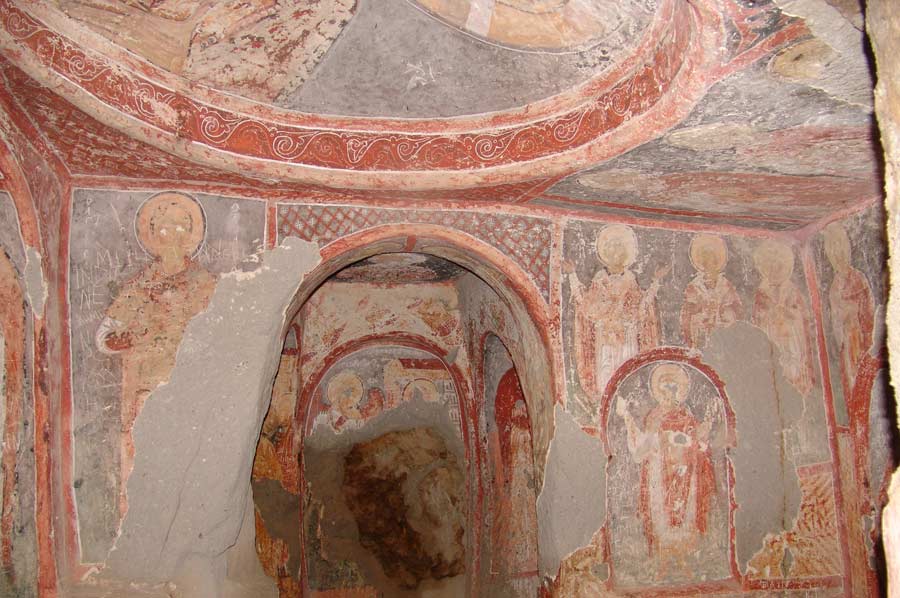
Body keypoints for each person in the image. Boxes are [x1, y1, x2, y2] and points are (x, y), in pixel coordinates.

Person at [95, 192, 216, 514]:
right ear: (152, 235)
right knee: (145, 454)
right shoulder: (140, 285)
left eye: (180, 227)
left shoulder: (206, 284)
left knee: (190, 456)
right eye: (163, 227)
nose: (172, 234)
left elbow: (225, 334)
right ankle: (141, 513)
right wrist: (115, 340)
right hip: (146, 387)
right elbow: (104, 334)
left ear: (190, 234)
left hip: (190, 387)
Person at [616, 363, 716, 578]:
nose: (670, 394)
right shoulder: (654, 417)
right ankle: (662, 561)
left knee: (685, 515)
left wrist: (704, 425)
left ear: (679, 391)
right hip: (659, 474)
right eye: (665, 389)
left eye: (674, 389)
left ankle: (683, 559)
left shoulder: (686, 415)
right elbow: (644, 446)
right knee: (660, 514)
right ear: (659, 392)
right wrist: (628, 418)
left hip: (684, 474)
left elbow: (698, 440)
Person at [567, 224, 666, 411]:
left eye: (619, 250)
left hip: (627, 334)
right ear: (606, 254)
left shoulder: (630, 279)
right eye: (612, 250)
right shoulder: (600, 279)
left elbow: (641, 306)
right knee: (606, 368)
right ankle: (606, 407)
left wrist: (656, 282)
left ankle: (625, 407)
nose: (616, 254)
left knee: (627, 367)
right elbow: (587, 305)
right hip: (606, 335)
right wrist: (572, 275)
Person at [751, 240, 815, 396]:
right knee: (777, 368)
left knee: (794, 364)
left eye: (778, 266)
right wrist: (770, 315)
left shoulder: (792, 291)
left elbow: (803, 318)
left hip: (793, 339)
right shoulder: (762, 293)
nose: (774, 270)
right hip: (773, 338)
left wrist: (788, 313)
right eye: (770, 267)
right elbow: (757, 321)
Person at [823, 222, 875, 401]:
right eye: (833, 251)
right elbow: (835, 321)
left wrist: (854, 312)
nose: (838, 255)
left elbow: (868, 309)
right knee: (853, 380)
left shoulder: (858, 277)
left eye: (841, 249)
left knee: (866, 378)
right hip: (847, 340)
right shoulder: (834, 286)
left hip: (862, 336)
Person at [680, 234, 743, 349]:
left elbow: (735, 308)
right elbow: (688, 313)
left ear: (716, 262)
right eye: (705, 261)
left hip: (721, 329)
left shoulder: (725, 285)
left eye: (711, 260)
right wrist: (700, 308)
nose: (708, 264)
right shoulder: (694, 286)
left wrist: (722, 310)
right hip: (701, 330)